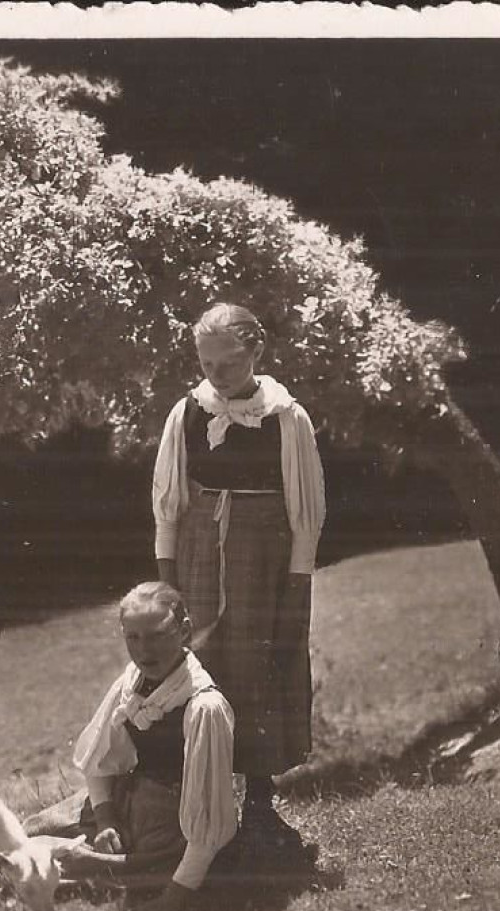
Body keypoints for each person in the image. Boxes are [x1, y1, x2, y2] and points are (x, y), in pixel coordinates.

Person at [152, 302, 325, 864]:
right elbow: (170, 501)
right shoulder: (188, 412)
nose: (215, 375)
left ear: (256, 354)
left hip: (263, 562)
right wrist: (167, 575)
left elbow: (306, 510)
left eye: (226, 364)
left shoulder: (285, 417)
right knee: (200, 673)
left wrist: (298, 579)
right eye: (205, 362)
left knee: (258, 668)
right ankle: (197, 804)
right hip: (201, 556)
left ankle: (259, 804)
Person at [24, 581, 238, 911]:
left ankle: (111, 863)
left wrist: (172, 901)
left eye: (156, 635)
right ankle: (94, 844)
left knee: (68, 863)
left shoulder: (203, 706)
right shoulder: (132, 682)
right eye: (133, 638)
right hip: (130, 797)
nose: (144, 650)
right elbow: (100, 755)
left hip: (175, 823)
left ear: (184, 631)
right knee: (31, 831)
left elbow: (209, 820)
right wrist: (107, 818)